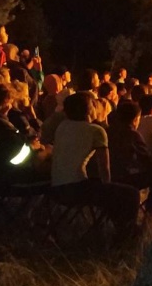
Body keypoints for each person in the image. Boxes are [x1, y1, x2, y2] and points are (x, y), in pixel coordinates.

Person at [50, 92, 141, 242]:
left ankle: (117, 230)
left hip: (56, 187)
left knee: (107, 191)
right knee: (131, 194)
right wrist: (108, 188)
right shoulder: (96, 131)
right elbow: (104, 170)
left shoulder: (62, 126)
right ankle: (125, 237)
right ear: (89, 110)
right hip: (76, 189)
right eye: (93, 104)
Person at [106, 99, 152, 192]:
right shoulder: (132, 134)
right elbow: (147, 159)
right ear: (135, 120)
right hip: (124, 177)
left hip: (106, 175)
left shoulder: (108, 131)